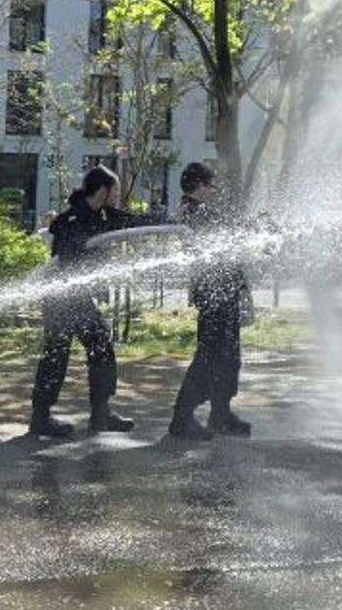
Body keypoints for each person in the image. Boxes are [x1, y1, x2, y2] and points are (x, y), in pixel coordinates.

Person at [29, 165, 159, 438]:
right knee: (57, 355)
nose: (118, 195)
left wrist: (172, 220)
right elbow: (66, 253)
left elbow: (135, 222)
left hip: (77, 298)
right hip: (60, 298)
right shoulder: (72, 219)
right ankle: (42, 418)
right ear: (102, 190)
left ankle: (100, 414)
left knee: (100, 348)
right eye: (115, 190)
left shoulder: (103, 216)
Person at [168, 162, 253, 440]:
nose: (215, 190)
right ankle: (182, 417)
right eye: (212, 184)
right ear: (201, 185)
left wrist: (241, 289)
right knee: (210, 355)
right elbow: (225, 247)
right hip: (213, 295)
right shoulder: (192, 213)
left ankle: (221, 413)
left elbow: (230, 251)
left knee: (229, 355)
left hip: (224, 293)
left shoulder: (203, 213)